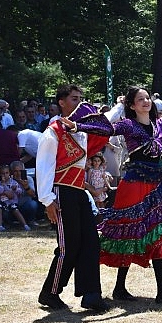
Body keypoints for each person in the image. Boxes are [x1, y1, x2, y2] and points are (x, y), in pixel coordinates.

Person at [63, 78, 162, 304]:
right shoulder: (128, 125)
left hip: (157, 185)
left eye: (147, 98)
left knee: (157, 232)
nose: (145, 101)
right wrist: (78, 126)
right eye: (140, 99)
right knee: (129, 234)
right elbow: (105, 128)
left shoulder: (161, 124)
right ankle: (121, 287)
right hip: (134, 185)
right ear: (131, 105)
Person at [36, 83, 109, 311]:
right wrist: (47, 200)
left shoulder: (81, 131)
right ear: (62, 102)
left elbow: (107, 125)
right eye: (74, 99)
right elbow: (44, 166)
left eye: (80, 98)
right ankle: (50, 292)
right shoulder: (53, 131)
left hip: (78, 191)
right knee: (69, 245)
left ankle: (91, 294)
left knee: (90, 241)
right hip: (60, 190)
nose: (79, 103)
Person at [0, 164, 31, 232]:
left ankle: (25, 225)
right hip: (3, 202)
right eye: (3, 173)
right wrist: (3, 185)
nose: (5, 175)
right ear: (0, 174)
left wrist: (15, 189)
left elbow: (20, 191)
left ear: (9, 173)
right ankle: (0, 226)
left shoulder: (14, 182)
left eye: (6, 173)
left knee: (15, 210)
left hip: (12, 202)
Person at [10, 160, 42, 225]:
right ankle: (12, 221)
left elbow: (33, 195)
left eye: (20, 171)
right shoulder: (8, 180)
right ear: (11, 172)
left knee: (33, 204)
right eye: (15, 171)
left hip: (25, 205)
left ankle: (31, 220)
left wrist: (26, 186)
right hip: (12, 206)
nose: (18, 173)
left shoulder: (28, 179)